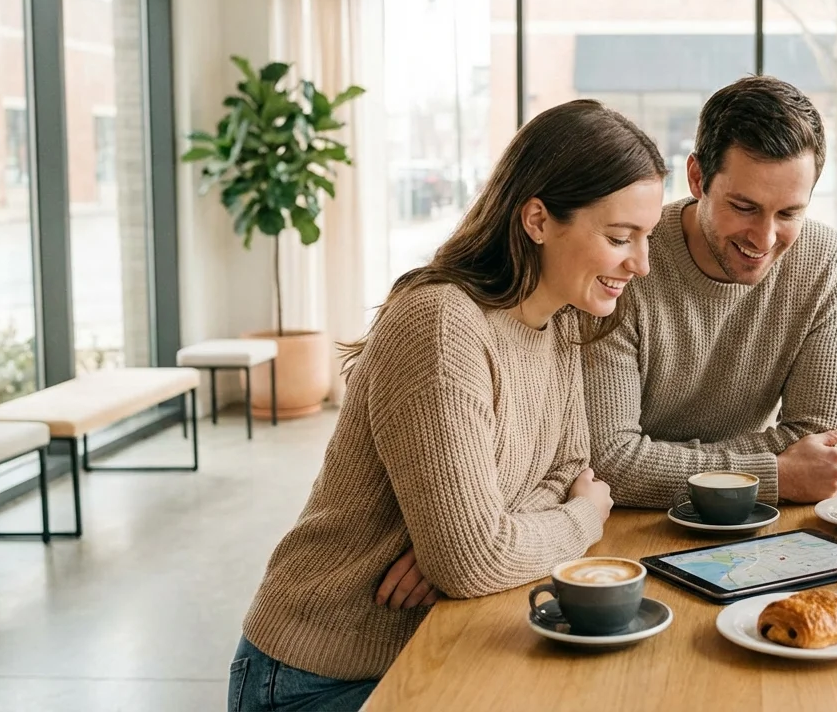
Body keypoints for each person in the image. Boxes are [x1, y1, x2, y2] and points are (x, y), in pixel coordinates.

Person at [226, 99, 666, 712]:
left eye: (646, 239)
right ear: (538, 219)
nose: (640, 264)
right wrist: (581, 520)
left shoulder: (558, 321)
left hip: (444, 639)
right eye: (620, 238)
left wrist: (479, 540)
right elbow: (494, 545)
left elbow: (565, 475)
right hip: (322, 672)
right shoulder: (442, 326)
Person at [582, 75, 837, 510]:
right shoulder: (627, 262)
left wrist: (660, 464)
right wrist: (775, 473)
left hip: (756, 525)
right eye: (744, 208)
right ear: (697, 178)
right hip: (624, 523)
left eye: (789, 212)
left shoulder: (824, 261)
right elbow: (612, 462)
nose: (765, 238)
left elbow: (818, 449)